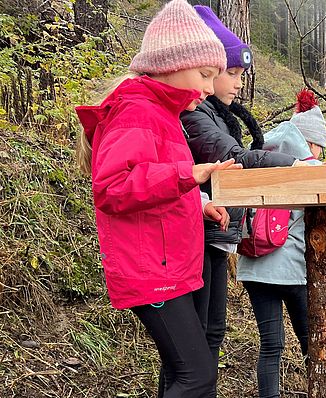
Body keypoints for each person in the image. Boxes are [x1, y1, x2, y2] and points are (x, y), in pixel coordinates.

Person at [74, 0, 242, 396]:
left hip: (171, 263)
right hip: (151, 268)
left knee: (182, 371)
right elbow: (113, 187)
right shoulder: (136, 109)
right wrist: (191, 173)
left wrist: (200, 203)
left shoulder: (163, 114)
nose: (207, 87)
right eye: (205, 74)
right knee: (196, 375)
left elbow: (157, 179)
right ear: (171, 64)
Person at [179, 6, 299, 391]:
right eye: (229, 73)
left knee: (211, 332)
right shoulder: (197, 118)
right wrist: (297, 166)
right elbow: (236, 158)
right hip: (197, 234)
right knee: (196, 339)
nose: (236, 83)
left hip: (216, 234)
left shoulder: (215, 116)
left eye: (238, 74)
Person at [236, 89, 326, 398]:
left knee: (271, 345)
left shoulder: (257, 155)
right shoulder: (309, 169)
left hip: (253, 268)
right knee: (309, 340)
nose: (320, 154)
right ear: (310, 142)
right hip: (292, 271)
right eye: (320, 147)